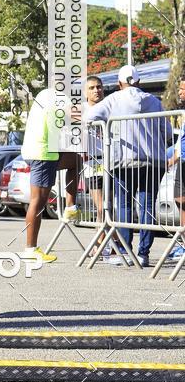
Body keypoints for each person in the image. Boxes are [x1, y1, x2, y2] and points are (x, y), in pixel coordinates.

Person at [86, 65, 171, 267]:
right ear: (139, 82)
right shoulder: (154, 101)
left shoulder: (113, 100)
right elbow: (167, 132)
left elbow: (88, 117)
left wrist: (104, 127)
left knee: (123, 205)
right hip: (153, 161)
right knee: (147, 207)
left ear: (119, 83)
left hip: (124, 160)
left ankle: (125, 251)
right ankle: (144, 253)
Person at [21, 89, 81, 264]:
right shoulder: (59, 96)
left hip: (40, 150)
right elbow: (75, 117)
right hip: (43, 152)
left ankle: (70, 206)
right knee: (38, 202)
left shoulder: (45, 94)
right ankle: (30, 249)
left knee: (75, 161)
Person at [82, 76, 106, 254]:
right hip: (91, 163)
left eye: (98, 87)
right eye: (91, 88)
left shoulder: (109, 107)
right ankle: (100, 244)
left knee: (108, 207)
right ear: (85, 92)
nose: (96, 90)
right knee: (101, 207)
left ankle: (104, 244)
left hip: (110, 161)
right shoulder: (80, 110)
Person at [166, 76, 185, 261]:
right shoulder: (182, 113)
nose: (180, 92)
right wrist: (171, 160)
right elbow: (181, 141)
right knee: (179, 199)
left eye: (183, 89)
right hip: (181, 160)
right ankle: (184, 242)